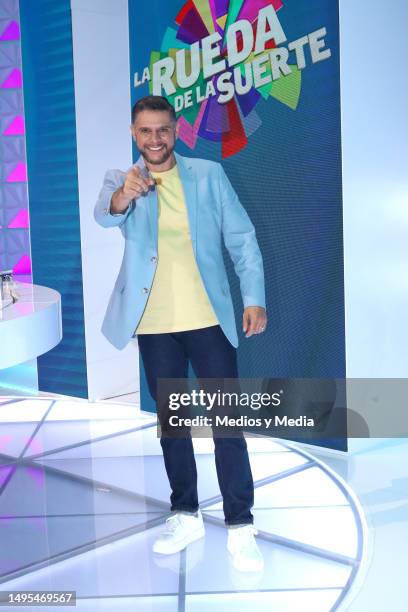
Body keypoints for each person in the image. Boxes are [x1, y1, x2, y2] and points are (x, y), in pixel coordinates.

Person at [94, 95, 267, 572]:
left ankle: (241, 524)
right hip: (154, 326)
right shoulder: (123, 180)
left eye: (163, 130)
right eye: (146, 131)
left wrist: (254, 297)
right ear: (134, 133)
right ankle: (185, 513)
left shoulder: (208, 176)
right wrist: (126, 193)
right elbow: (105, 215)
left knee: (227, 426)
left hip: (208, 320)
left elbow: (241, 238)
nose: (155, 139)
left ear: (175, 130)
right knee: (173, 426)